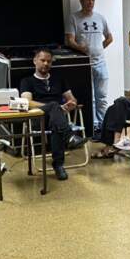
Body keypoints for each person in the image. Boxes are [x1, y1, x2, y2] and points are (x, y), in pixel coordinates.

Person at [19, 48, 85, 181]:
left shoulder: (59, 79)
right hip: (38, 117)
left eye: (49, 61)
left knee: (57, 124)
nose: (45, 64)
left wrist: (71, 104)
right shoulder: (27, 81)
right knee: (54, 106)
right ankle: (69, 138)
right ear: (35, 61)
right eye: (42, 60)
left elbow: (72, 99)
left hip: (57, 118)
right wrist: (52, 107)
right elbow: (27, 102)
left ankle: (59, 165)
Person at [65, 0, 112, 132]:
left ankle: (103, 126)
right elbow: (69, 41)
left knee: (102, 96)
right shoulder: (73, 18)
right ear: (81, 1)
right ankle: (93, 126)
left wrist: (98, 48)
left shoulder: (100, 17)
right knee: (90, 97)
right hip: (84, 63)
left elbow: (109, 38)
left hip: (101, 62)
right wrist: (82, 49)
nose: (90, 2)